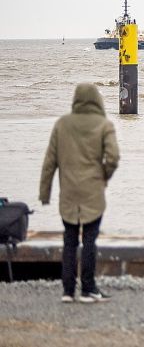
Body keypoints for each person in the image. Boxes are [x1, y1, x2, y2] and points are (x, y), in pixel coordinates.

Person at [39, 83, 120, 303]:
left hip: (68, 193)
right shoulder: (104, 125)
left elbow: (49, 162)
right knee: (90, 240)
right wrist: (103, 176)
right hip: (93, 191)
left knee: (70, 240)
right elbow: (113, 158)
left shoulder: (62, 124)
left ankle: (67, 291)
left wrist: (44, 193)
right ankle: (88, 289)